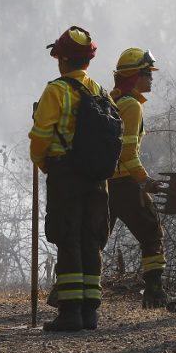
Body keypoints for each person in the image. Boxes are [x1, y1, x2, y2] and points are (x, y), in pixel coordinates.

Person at [30, 26, 110, 332]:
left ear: (62, 59)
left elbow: (41, 136)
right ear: (88, 61)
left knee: (68, 237)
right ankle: (90, 312)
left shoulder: (57, 91)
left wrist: (42, 162)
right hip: (98, 178)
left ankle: (70, 312)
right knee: (91, 239)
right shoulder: (100, 91)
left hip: (66, 175)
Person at [108, 47, 169, 308]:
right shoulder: (131, 106)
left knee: (95, 237)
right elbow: (128, 152)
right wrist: (145, 181)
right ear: (134, 76)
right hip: (124, 182)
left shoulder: (113, 100)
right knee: (152, 232)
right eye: (147, 73)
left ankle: (67, 292)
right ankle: (154, 292)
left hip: (104, 182)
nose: (151, 78)